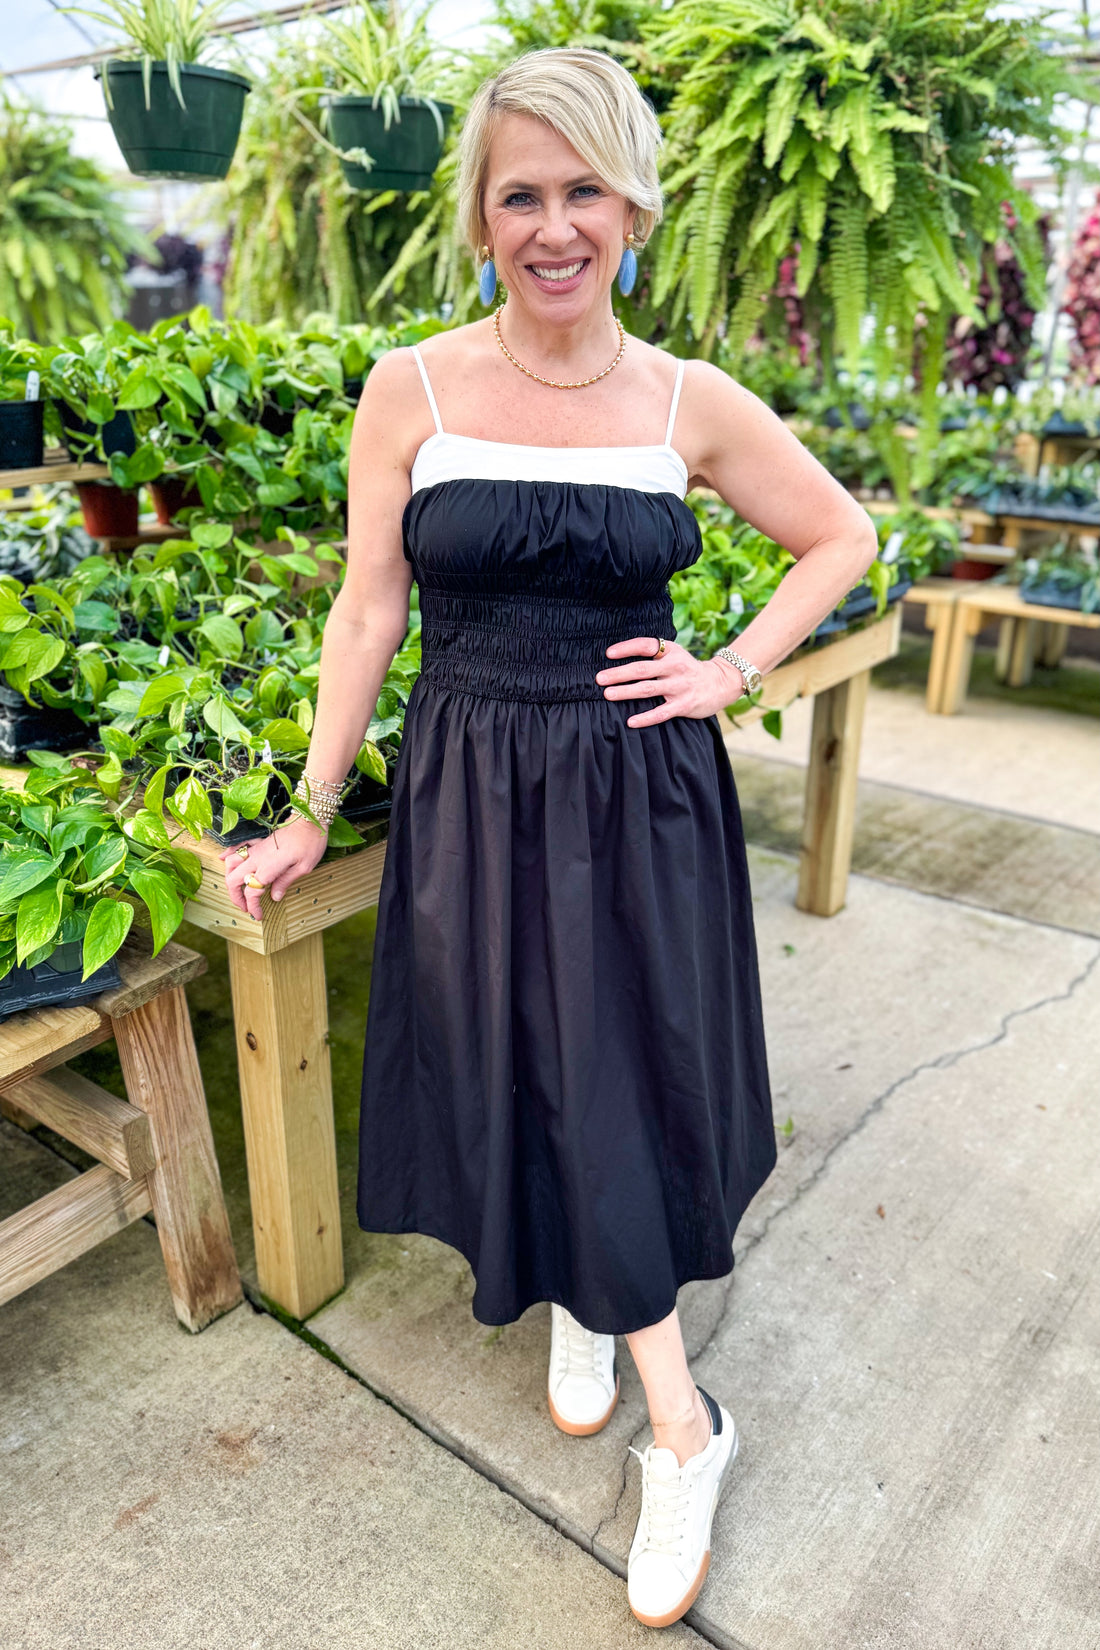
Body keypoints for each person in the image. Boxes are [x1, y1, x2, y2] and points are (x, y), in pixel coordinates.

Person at [222, 46, 879, 1630]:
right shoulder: (416, 387)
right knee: (519, 1054)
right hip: (467, 782)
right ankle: (591, 1284)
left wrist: (726, 671)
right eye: (522, 192)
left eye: (585, 188)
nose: (555, 223)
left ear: (635, 203)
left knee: (607, 1073)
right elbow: (371, 607)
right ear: (479, 213)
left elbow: (844, 533)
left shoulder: (686, 401)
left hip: (629, 794)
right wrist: (313, 807)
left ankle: (687, 1427)